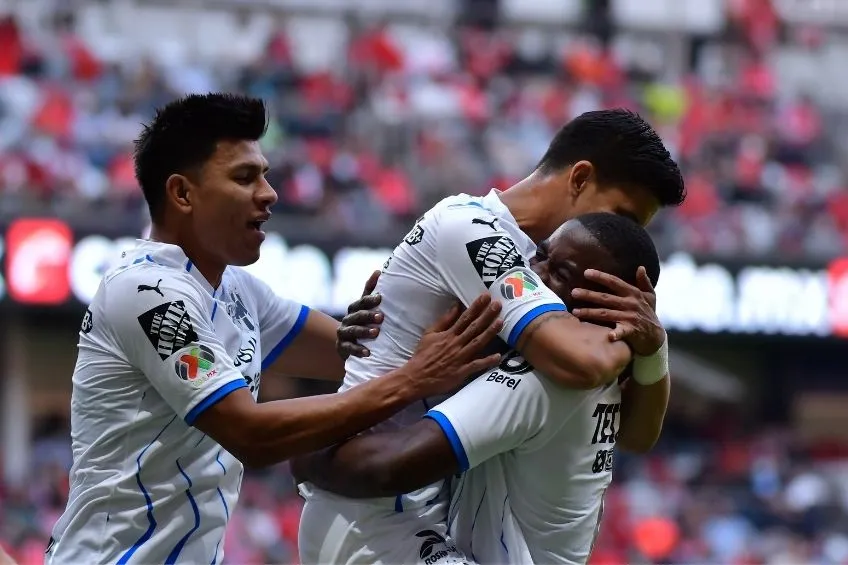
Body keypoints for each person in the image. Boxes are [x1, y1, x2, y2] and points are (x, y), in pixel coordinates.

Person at [45, 93, 504, 565]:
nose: (269, 193)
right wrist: (411, 381)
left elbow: (359, 356)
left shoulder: (239, 291)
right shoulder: (147, 294)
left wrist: (404, 312)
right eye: (245, 177)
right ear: (182, 194)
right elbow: (252, 434)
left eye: (264, 174)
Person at [295, 108, 684, 564]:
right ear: (580, 177)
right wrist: (634, 333)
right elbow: (582, 363)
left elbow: (635, 435)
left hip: (422, 516)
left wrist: (650, 345)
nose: (625, 233)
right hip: (368, 510)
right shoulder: (474, 228)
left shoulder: (539, 265)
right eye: (623, 214)